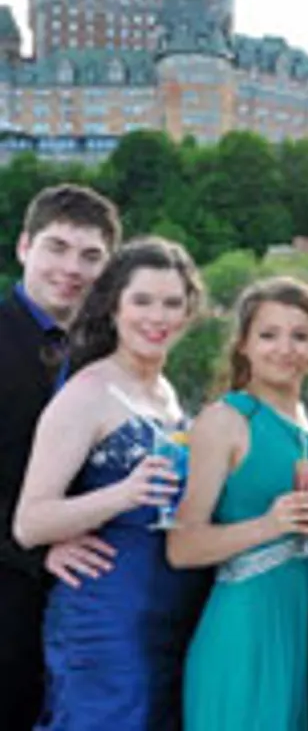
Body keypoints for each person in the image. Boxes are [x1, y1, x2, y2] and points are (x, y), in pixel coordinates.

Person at [13, 237, 209, 730]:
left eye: (171, 303)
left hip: (169, 615)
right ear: (114, 307)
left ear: (187, 314)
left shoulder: (166, 394)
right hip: (107, 619)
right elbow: (30, 521)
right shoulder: (87, 392)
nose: (156, 316)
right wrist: (122, 495)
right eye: (142, 300)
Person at [168, 277, 308, 730]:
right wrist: (271, 525)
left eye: (300, 336)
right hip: (247, 626)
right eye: (268, 335)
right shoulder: (225, 420)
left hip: (303, 618)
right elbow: (181, 548)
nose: (285, 349)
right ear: (243, 345)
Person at [0, 184, 120, 730]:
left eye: (91, 256)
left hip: (86, 614)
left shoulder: (107, 358)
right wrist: (33, 549)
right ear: (25, 247)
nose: (72, 268)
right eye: (57, 247)